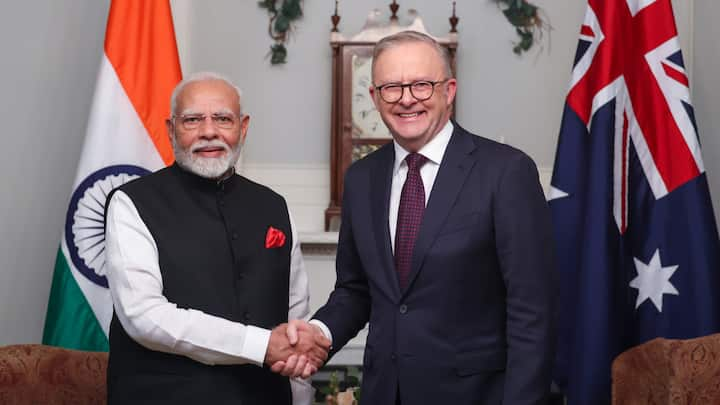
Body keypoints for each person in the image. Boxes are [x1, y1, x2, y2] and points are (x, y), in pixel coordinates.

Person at [274, 31, 557, 404]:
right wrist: (320, 333)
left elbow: (532, 310)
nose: (407, 99)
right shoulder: (361, 179)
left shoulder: (505, 172)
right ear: (375, 97)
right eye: (392, 87)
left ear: (449, 91)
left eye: (422, 85)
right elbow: (355, 290)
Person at [104, 71, 330, 405]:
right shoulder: (131, 203)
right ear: (171, 130)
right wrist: (260, 345)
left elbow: (295, 315)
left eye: (223, 119)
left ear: (243, 127)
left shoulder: (274, 206)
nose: (209, 132)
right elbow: (143, 316)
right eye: (193, 120)